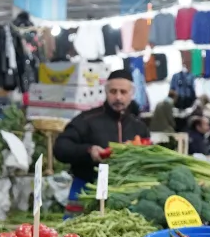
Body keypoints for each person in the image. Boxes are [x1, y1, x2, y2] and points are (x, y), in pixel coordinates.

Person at [53, 69, 149, 198]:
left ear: (132, 94)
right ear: (106, 92)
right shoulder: (86, 120)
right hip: (86, 190)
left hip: (126, 194)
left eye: (123, 92)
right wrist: (88, 151)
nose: (118, 97)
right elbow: (60, 148)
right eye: (113, 91)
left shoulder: (139, 127)